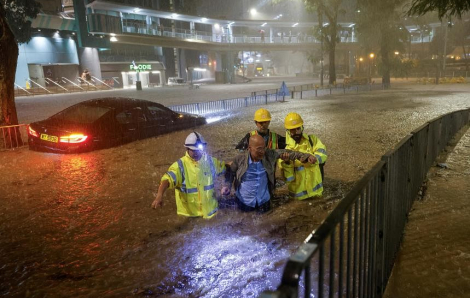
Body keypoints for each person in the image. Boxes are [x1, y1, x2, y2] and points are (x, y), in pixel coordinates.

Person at [222, 134, 316, 212]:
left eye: (264, 148)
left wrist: (306, 156)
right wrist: (227, 185)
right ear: (249, 148)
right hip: (244, 202)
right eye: (259, 149)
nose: (262, 152)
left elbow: (290, 153)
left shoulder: (269, 154)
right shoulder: (239, 159)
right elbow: (231, 172)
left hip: (264, 202)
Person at [151, 132, 227, 219]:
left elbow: (225, 169)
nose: (196, 153)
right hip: (190, 216)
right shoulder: (180, 166)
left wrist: (224, 185)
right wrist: (159, 196)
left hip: (211, 213)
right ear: (187, 149)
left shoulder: (211, 161)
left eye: (198, 150)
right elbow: (167, 180)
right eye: (193, 150)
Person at [279, 113, 327, 200]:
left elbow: (323, 153)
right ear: (288, 131)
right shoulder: (286, 151)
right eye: (293, 130)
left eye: (298, 128)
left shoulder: (313, 140)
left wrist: (315, 158)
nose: (296, 132)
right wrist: (287, 163)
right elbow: (288, 179)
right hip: (298, 199)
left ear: (302, 127)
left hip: (316, 193)